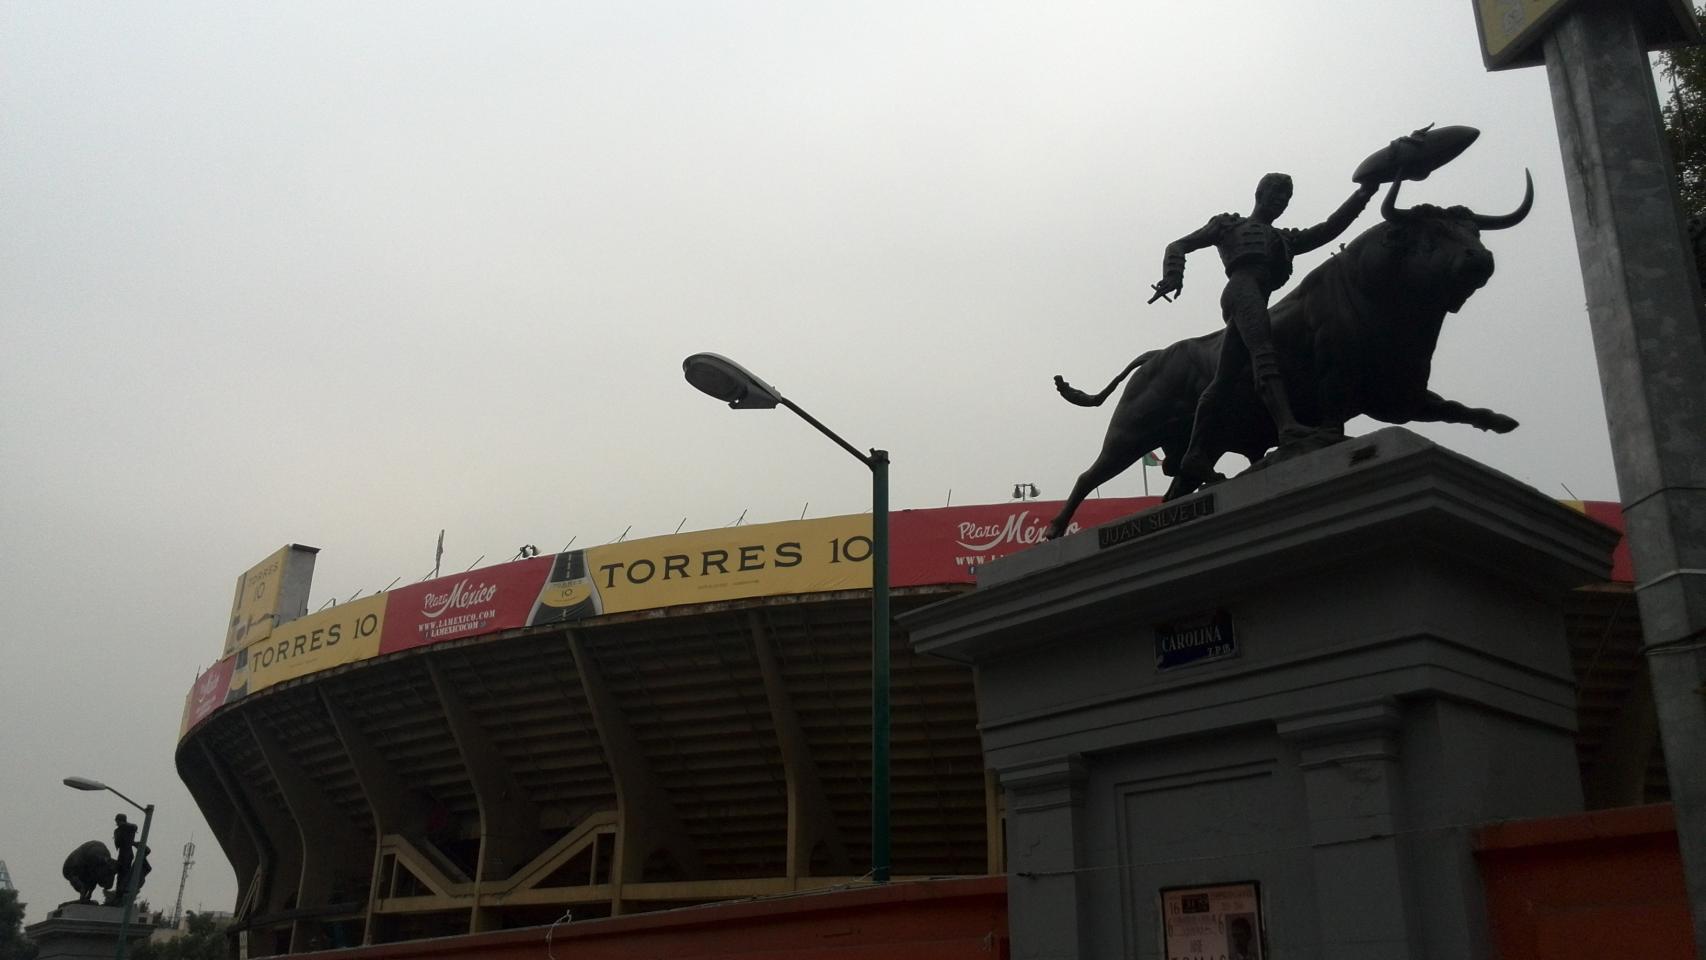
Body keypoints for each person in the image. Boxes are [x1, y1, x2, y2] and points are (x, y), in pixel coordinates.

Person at [1150, 172, 1378, 486]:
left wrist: (1364, 193)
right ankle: (1287, 427)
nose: (1281, 202)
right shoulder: (1229, 225)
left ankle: (1195, 453)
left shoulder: (1285, 240)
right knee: (1263, 353)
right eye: (1276, 194)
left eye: (1286, 198)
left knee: (1224, 380)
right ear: (1259, 195)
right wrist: (1174, 275)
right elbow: (1179, 245)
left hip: (1257, 295)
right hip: (1242, 290)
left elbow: (1329, 228)